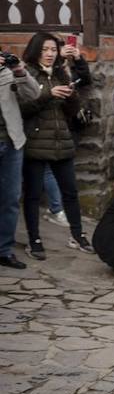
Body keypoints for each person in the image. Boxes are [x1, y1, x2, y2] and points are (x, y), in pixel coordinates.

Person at [19, 33, 93, 258]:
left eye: (52, 49)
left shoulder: (61, 71)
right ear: (35, 51)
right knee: (32, 195)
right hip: (36, 141)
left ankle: (77, 235)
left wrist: (71, 97)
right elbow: (23, 109)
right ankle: (35, 240)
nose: (50, 54)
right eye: (45, 50)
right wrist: (47, 95)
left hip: (62, 139)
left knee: (70, 192)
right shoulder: (26, 73)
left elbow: (70, 112)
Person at [0, 53, 40, 270]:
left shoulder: (8, 71)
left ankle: (4, 250)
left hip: (12, 142)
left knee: (11, 199)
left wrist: (19, 71)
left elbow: (33, 94)